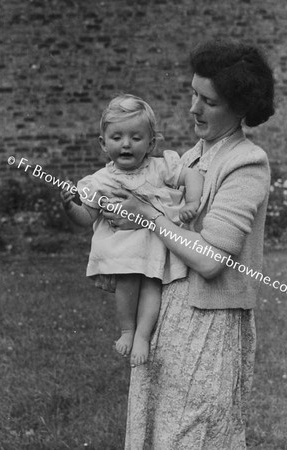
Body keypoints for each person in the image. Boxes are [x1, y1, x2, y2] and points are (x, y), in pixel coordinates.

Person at [103, 40, 275, 449]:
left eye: (208, 101)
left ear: (240, 107)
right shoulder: (190, 159)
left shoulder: (246, 163)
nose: (193, 108)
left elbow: (212, 260)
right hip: (163, 315)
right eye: (193, 94)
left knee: (193, 436)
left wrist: (147, 214)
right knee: (157, 432)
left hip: (209, 322)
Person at [61, 94, 204, 367]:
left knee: (152, 284)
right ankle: (127, 329)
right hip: (125, 248)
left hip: (155, 244)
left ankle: (142, 335)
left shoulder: (160, 167)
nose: (126, 144)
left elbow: (192, 175)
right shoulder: (100, 181)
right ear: (104, 144)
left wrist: (193, 201)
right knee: (129, 281)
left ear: (151, 142)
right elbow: (87, 215)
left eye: (136, 138)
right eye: (117, 137)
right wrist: (71, 209)